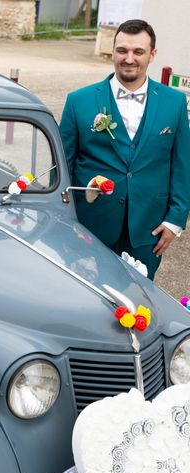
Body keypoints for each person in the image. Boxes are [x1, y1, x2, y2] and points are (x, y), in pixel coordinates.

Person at [59, 19, 190, 280]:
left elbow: (182, 165)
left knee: (139, 303)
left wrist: (175, 221)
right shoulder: (78, 101)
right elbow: (62, 166)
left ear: (152, 55)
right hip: (89, 226)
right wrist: (64, 220)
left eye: (138, 52)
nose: (129, 59)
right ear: (113, 51)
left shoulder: (175, 103)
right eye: (122, 50)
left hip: (148, 229)